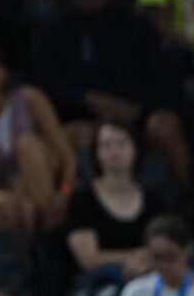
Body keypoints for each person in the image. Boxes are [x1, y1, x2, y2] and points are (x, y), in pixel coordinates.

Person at [34, 0, 193, 196]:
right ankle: (89, 204)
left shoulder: (137, 27)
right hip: (86, 116)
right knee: (73, 135)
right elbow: (47, 85)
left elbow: (165, 79)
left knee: (166, 125)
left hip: (138, 113)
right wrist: (88, 99)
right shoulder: (54, 32)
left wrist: (138, 108)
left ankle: (189, 199)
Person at [0, 39, 75, 238]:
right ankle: (37, 248)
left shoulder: (28, 98)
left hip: (45, 183)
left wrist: (65, 191)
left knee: (26, 144)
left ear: (2, 72)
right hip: (9, 196)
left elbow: (66, 155)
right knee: (23, 208)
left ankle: (49, 229)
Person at [65, 121, 164, 282]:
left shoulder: (154, 200)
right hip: (101, 283)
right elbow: (88, 260)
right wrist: (135, 256)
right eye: (106, 145)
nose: (114, 151)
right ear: (96, 153)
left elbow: (165, 248)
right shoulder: (82, 200)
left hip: (149, 279)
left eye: (122, 143)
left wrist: (146, 263)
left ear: (136, 149)